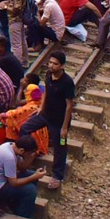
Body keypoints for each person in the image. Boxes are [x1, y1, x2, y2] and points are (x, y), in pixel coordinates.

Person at [0, 134, 44, 217]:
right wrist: (34, 177)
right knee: (30, 190)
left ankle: (17, 205)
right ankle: (23, 215)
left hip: (3, 181)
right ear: (22, 151)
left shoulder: (11, 146)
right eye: (29, 153)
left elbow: (22, 168)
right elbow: (14, 183)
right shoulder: (9, 157)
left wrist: (30, 158)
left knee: (31, 175)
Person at [41, 53, 77, 188]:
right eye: (50, 62)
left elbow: (69, 105)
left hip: (59, 120)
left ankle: (57, 175)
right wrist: (40, 108)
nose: (51, 66)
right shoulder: (48, 75)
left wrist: (65, 127)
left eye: (55, 64)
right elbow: (45, 92)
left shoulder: (67, 82)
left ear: (62, 66)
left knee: (60, 146)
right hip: (46, 115)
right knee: (27, 127)